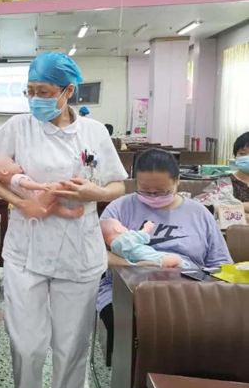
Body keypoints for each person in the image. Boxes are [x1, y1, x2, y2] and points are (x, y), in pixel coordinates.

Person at [0, 52, 127, 388]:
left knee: (70, 349)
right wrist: (18, 201)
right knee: (26, 347)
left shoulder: (94, 133)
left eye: (43, 91)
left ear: (68, 91)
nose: (35, 99)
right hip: (26, 249)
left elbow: (117, 185)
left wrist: (95, 192)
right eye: (30, 90)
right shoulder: (19, 126)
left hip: (78, 253)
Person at [97, 149, 232, 363]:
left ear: (177, 181)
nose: (153, 197)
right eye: (145, 191)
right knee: (144, 329)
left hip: (189, 290)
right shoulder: (119, 208)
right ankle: (137, 377)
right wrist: (133, 266)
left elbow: (220, 264)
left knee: (211, 332)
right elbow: (96, 253)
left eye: (161, 191)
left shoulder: (199, 214)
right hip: (127, 289)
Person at [230, 132, 249, 220]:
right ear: (235, 156)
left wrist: (237, 207)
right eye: (242, 153)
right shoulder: (224, 183)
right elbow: (221, 213)